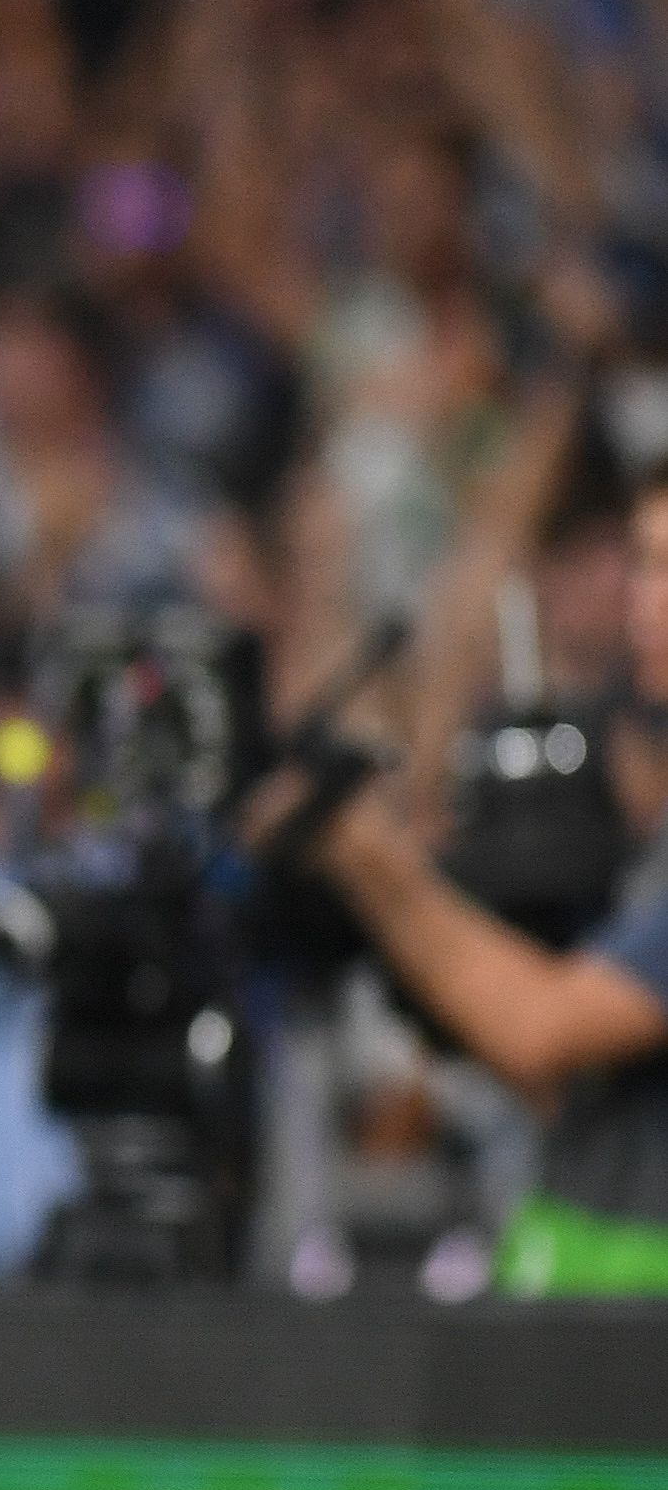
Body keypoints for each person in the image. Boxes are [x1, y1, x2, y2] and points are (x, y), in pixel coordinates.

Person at [277, 477, 668, 1294]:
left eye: (664, 567)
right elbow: (565, 1079)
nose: (639, 597)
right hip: (588, 1270)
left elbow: (542, 1031)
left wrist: (361, 848)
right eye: (639, 561)